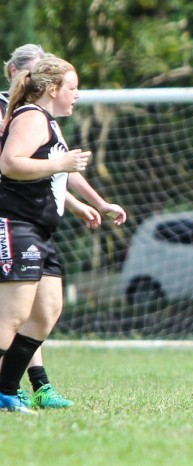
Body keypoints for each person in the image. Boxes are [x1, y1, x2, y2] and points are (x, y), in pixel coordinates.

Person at [0, 56, 102, 413]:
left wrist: (91, 203)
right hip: (16, 225)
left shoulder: (49, 122)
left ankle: (6, 392)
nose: (77, 95)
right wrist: (61, 163)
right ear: (53, 89)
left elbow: (52, 174)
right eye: (73, 89)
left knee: (46, 313)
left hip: (40, 231)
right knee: (10, 318)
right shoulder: (30, 117)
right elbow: (10, 163)